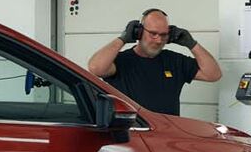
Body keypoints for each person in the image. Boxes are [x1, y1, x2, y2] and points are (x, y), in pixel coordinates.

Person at [87, 8, 222, 114]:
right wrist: (122, 39)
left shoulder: (174, 61)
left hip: (165, 135)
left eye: (163, 35)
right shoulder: (121, 61)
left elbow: (213, 74)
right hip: (131, 135)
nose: (158, 40)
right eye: (153, 34)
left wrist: (192, 44)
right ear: (139, 32)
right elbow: (95, 68)